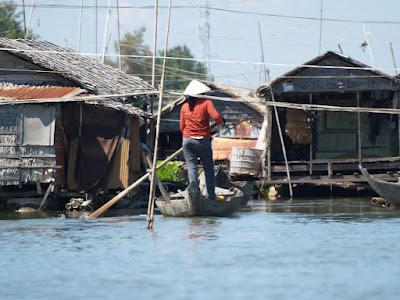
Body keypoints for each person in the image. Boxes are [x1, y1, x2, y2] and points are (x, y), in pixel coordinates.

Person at [180, 81, 225, 201]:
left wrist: (189, 134)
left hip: (187, 140)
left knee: (191, 167)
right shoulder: (206, 103)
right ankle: (211, 196)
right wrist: (222, 122)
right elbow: (216, 117)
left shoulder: (184, 106)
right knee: (208, 168)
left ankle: (194, 192)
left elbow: (181, 127)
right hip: (203, 140)